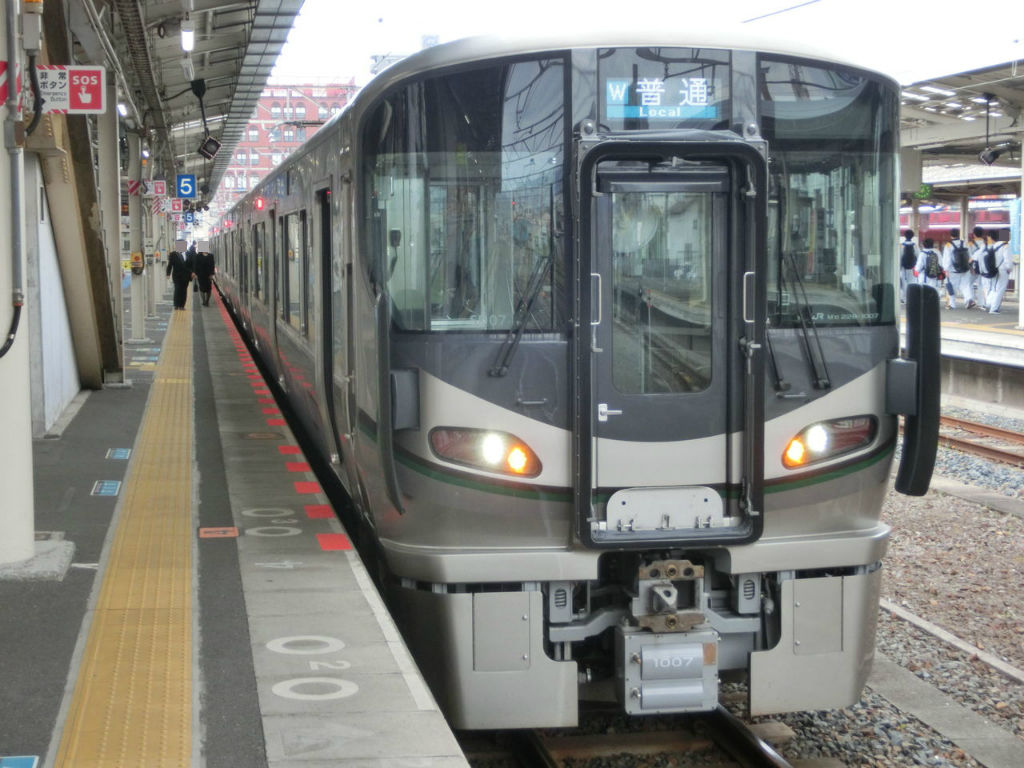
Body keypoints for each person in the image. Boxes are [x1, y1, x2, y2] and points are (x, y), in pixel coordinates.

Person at [979, 230, 1011, 314]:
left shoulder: (995, 245)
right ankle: (993, 308)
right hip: (1003, 270)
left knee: (994, 288)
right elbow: (1008, 260)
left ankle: (989, 303)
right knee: (1000, 289)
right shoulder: (1006, 246)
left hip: (994, 269)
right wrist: (1009, 268)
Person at [942, 228, 974, 309]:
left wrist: (946, 269)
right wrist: (970, 267)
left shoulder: (948, 245)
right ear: (958, 234)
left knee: (951, 286)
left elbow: (947, 259)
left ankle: (952, 304)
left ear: (951, 235)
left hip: (953, 270)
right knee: (966, 285)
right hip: (965, 269)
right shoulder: (965, 243)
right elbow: (969, 256)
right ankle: (969, 299)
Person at [968, 226, 987, 309]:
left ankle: (971, 300)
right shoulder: (985, 243)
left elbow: (968, 256)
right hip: (983, 266)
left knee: (969, 284)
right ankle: (981, 303)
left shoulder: (970, 243)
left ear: (974, 234)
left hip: (973, 266)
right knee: (981, 284)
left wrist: (970, 267)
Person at [898, 229, 917, 303]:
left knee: (904, 283)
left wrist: (899, 267)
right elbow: (917, 256)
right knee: (911, 282)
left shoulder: (901, 246)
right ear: (912, 236)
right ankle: (910, 297)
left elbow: (899, 257)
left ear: (904, 236)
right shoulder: (915, 246)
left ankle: (904, 298)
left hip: (903, 268)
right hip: (912, 268)